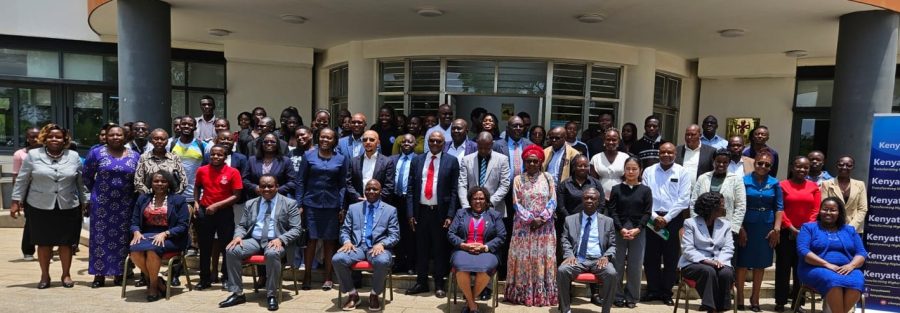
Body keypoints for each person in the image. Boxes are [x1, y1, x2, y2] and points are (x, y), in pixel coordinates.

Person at [10, 124, 87, 289]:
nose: (54, 139)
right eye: (51, 136)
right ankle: (45, 276)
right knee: (44, 243)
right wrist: (16, 201)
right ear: (44, 138)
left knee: (66, 243)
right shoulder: (32, 155)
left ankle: (66, 274)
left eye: (58, 137)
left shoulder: (73, 156)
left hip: (68, 205)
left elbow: (80, 182)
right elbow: (22, 179)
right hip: (39, 205)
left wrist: (85, 201)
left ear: (65, 139)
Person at [219, 175, 302, 311]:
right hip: (255, 240)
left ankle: (271, 295)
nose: (266, 189)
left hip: (276, 241)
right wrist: (238, 236)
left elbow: (296, 229)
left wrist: (281, 239)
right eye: (263, 186)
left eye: (270, 186)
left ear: (277, 187)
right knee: (231, 250)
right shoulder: (251, 203)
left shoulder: (289, 203)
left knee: (272, 253)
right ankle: (237, 293)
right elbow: (242, 225)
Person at [83, 125, 141, 288]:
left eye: (119, 135)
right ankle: (99, 275)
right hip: (102, 203)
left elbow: (138, 179)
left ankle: (119, 274)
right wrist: (96, 192)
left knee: (122, 239)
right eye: (112, 135)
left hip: (125, 204)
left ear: (125, 137)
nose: (116, 137)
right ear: (106, 137)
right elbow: (86, 175)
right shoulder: (96, 153)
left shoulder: (135, 156)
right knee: (99, 240)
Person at [457, 132, 511, 301]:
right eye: (480, 147)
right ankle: (470, 286)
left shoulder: (502, 159)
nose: (483, 150)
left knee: (490, 246)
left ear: (492, 145)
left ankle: (486, 287)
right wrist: (467, 206)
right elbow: (462, 184)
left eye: (486, 147)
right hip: (470, 211)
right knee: (471, 245)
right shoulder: (467, 159)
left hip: (494, 210)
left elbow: (505, 184)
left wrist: (488, 203)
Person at [405, 131, 460, 298]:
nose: (435, 143)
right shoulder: (417, 160)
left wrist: (450, 215)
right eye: (432, 140)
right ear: (427, 142)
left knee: (439, 249)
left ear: (444, 143)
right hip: (421, 211)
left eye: (439, 141)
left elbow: (454, 191)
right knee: (421, 249)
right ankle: (421, 282)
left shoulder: (451, 161)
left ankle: (439, 284)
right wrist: (410, 213)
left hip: (440, 213)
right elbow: (410, 189)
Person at [333, 179, 400, 311]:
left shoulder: (390, 210)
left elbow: (395, 235)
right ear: (364, 191)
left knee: (382, 261)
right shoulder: (353, 208)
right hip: (356, 247)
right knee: (337, 259)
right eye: (368, 189)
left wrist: (382, 243)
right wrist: (347, 241)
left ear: (380, 191)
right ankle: (353, 294)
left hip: (377, 248)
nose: (371, 191)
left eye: (374, 189)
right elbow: (345, 230)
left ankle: (374, 295)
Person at [295, 127, 348, 290]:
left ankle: (328, 277)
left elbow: (342, 185)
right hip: (311, 204)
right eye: (322, 137)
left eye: (329, 138)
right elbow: (300, 181)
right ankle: (307, 276)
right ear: (318, 138)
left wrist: (341, 206)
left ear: (334, 141)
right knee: (311, 240)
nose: (325, 140)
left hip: (332, 205)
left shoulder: (341, 158)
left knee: (329, 241)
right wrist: (299, 204)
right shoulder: (308, 156)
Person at [505, 144, 558, 307]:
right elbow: (516, 203)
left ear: (541, 161)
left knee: (543, 260)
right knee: (524, 260)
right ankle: (521, 295)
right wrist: (530, 219)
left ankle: (542, 296)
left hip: (545, 229)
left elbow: (553, 200)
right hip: (523, 228)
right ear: (524, 162)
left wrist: (541, 219)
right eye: (528, 161)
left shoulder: (548, 177)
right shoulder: (518, 179)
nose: (532, 164)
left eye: (535, 161)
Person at [128, 170, 190, 302]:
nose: (159, 184)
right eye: (156, 181)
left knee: (152, 249)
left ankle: (153, 287)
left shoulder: (179, 200)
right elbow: (134, 221)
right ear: (151, 183)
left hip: (172, 237)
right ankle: (157, 280)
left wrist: (166, 233)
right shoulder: (143, 198)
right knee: (134, 250)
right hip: (147, 235)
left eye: (163, 181)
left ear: (169, 183)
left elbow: (183, 226)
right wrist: (136, 232)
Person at [797, 197, 867, 313]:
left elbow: (861, 252)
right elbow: (803, 251)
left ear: (839, 213)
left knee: (857, 281)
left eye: (833, 210)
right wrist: (827, 264)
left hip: (846, 268)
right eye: (825, 209)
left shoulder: (849, 230)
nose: (828, 213)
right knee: (833, 280)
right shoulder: (808, 228)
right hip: (814, 268)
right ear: (820, 211)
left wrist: (851, 266)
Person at [641, 142, 690, 305]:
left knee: (670, 257)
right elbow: (645, 196)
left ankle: (666, 292)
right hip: (652, 218)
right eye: (663, 152)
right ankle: (653, 290)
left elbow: (684, 199)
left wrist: (667, 218)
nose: (666, 155)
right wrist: (655, 217)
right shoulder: (649, 171)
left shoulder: (682, 172)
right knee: (651, 256)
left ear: (675, 154)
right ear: (658, 153)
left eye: (670, 152)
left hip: (673, 219)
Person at [735, 152, 783, 312]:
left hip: (766, 227)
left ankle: (755, 298)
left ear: (771, 167)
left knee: (760, 264)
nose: (763, 166)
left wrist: (776, 228)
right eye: (760, 163)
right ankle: (740, 296)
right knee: (742, 263)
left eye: (767, 164)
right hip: (747, 224)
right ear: (754, 163)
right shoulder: (743, 180)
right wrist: (740, 227)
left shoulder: (775, 183)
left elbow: (779, 208)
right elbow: (738, 205)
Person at [554, 154, 605, 305]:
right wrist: (573, 222)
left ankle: (594, 293)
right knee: (568, 256)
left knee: (592, 255)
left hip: (592, 225)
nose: (583, 168)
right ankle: (567, 291)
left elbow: (601, 204)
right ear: (574, 167)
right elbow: (560, 206)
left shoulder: (595, 183)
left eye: (585, 165)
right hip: (569, 226)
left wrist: (592, 219)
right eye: (579, 165)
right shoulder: (565, 184)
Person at [557, 187, 616, 313]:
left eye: (593, 198)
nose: (589, 200)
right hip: (578, 259)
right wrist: (569, 255)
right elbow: (565, 240)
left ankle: (606, 310)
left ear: (598, 201)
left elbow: (612, 245)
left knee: (611, 273)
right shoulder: (570, 220)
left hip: (598, 260)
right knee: (562, 270)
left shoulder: (608, 221)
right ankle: (565, 310)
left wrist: (606, 257)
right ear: (582, 200)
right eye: (586, 198)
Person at [448, 187, 507, 313]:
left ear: (486, 201)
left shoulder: (494, 215)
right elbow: (451, 233)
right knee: (461, 267)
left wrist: (485, 247)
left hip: (486, 252)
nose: (478, 201)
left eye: (481, 198)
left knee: (484, 269)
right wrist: (463, 245)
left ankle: (470, 301)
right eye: (475, 198)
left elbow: (502, 236)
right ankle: (473, 306)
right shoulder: (461, 213)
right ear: (470, 200)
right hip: (463, 251)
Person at [193, 145, 243, 290]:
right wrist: (196, 202)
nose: (215, 157)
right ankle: (204, 279)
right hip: (205, 211)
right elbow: (197, 186)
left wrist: (217, 205)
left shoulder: (233, 172)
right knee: (205, 247)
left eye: (219, 155)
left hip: (224, 212)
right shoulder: (202, 170)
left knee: (226, 246)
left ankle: (226, 278)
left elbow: (236, 195)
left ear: (225, 156)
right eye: (213, 154)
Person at [775, 156, 820, 312]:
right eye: (799, 166)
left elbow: (816, 210)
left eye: (805, 167)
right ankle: (780, 301)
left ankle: (797, 303)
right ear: (792, 167)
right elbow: (780, 208)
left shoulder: (814, 187)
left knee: (801, 268)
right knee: (783, 267)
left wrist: (805, 229)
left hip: (807, 233)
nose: (802, 170)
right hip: (787, 233)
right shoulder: (782, 185)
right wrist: (791, 227)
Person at [679, 192, 736, 313]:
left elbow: (728, 248)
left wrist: (719, 261)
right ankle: (712, 308)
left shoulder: (725, 225)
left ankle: (720, 308)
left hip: (720, 261)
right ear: (712, 207)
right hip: (693, 263)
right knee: (708, 271)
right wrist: (707, 261)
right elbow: (688, 249)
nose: (724, 207)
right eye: (721, 204)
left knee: (726, 273)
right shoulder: (690, 223)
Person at [608, 157, 652, 308]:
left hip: (638, 231)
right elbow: (612, 211)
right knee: (617, 264)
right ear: (624, 170)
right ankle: (617, 295)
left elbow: (647, 212)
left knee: (635, 265)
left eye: (634, 169)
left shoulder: (646, 190)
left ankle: (632, 296)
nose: (631, 172)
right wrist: (621, 228)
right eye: (628, 169)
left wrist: (638, 228)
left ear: (640, 170)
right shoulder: (616, 189)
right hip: (619, 230)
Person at [690, 149, 746, 236]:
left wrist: (733, 228)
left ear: (729, 163)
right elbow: (694, 201)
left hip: (726, 227)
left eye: (725, 162)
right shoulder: (703, 178)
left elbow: (741, 205)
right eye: (718, 161)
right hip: (702, 225)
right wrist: (697, 223)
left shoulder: (736, 180)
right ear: (713, 161)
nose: (721, 165)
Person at [388, 133, 418, 274]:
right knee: (396, 232)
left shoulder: (419, 160)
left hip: (410, 200)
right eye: (404, 141)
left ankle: (411, 264)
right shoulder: (392, 160)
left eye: (409, 142)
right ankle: (399, 262)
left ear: (415, 145)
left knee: (411, 234)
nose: (406, 143)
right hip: (395, 199)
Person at [12, 127, 40, 261]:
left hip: (46, 190)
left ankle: (46, 249)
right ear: (27, 138)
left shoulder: (48, 152)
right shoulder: (20, 154)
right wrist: (17, 199)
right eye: (31, 136)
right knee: (31, 221)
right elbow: (17, 178)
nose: (34, 139)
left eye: (37, 136)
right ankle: (28, 250)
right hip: (28, 191)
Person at [346, 130, 395, 206]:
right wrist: (357, 197)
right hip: (358, 203)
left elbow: (389, 185)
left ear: (378, 142)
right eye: (365, 140)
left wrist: (375, 199)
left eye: (372, 140)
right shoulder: (354, 161)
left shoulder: (387, 162)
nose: (368, 142)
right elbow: (349, 183)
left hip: (379, 204)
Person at [819, 156, 866, 233]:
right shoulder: (826, 184)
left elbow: (862, 209)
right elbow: (824, 207)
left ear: (853, 167)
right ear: (837, 166)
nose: (844, 167)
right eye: (841, 165)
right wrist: (834, 226)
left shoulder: (860, 184)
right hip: (832, 228)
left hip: (854, 229)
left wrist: (851, 227)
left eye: (849, 165)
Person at [134, 129, 187, 195]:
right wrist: (149, 196)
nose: (159, 141)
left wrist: (174, 196)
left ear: (167, 141)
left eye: (162, 139)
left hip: (171, 199)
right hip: (149, 199)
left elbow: (184, 181)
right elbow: (138, 181)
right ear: (151, 141)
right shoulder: (144, 158)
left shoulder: (174, 157)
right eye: (156, 139)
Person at [590, 128, 629, 200]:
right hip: (600, 198)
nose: (611, 142)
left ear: (618, 141)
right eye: (608, 139)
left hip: (621, 197)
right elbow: (593, 181)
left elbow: (628, 179)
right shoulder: (596, 158)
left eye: (614, 140)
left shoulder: (625, 158)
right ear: (604, 141)